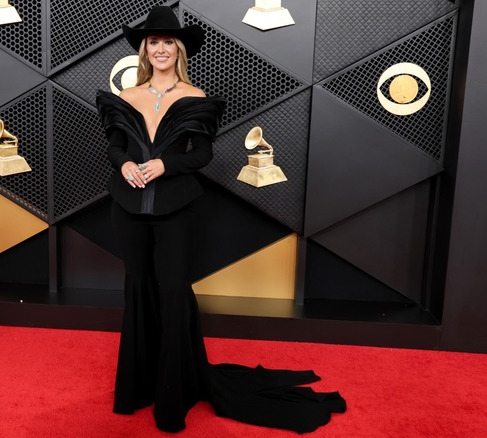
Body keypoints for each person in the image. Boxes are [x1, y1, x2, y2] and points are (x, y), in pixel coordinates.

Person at [96, 5, 346, 434]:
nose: (160, 49)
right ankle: (137, 386)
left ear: (178, 50)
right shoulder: (124, 97)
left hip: (178, 208)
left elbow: (202, 154)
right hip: (128, 209)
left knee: (173, 291)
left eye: (167, 42)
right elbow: (115, 147)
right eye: (153, 41)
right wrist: (123, 166)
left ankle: (175, 392)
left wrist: (165, 166)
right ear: (144, 49)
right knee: (137, 288)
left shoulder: (196, 100)